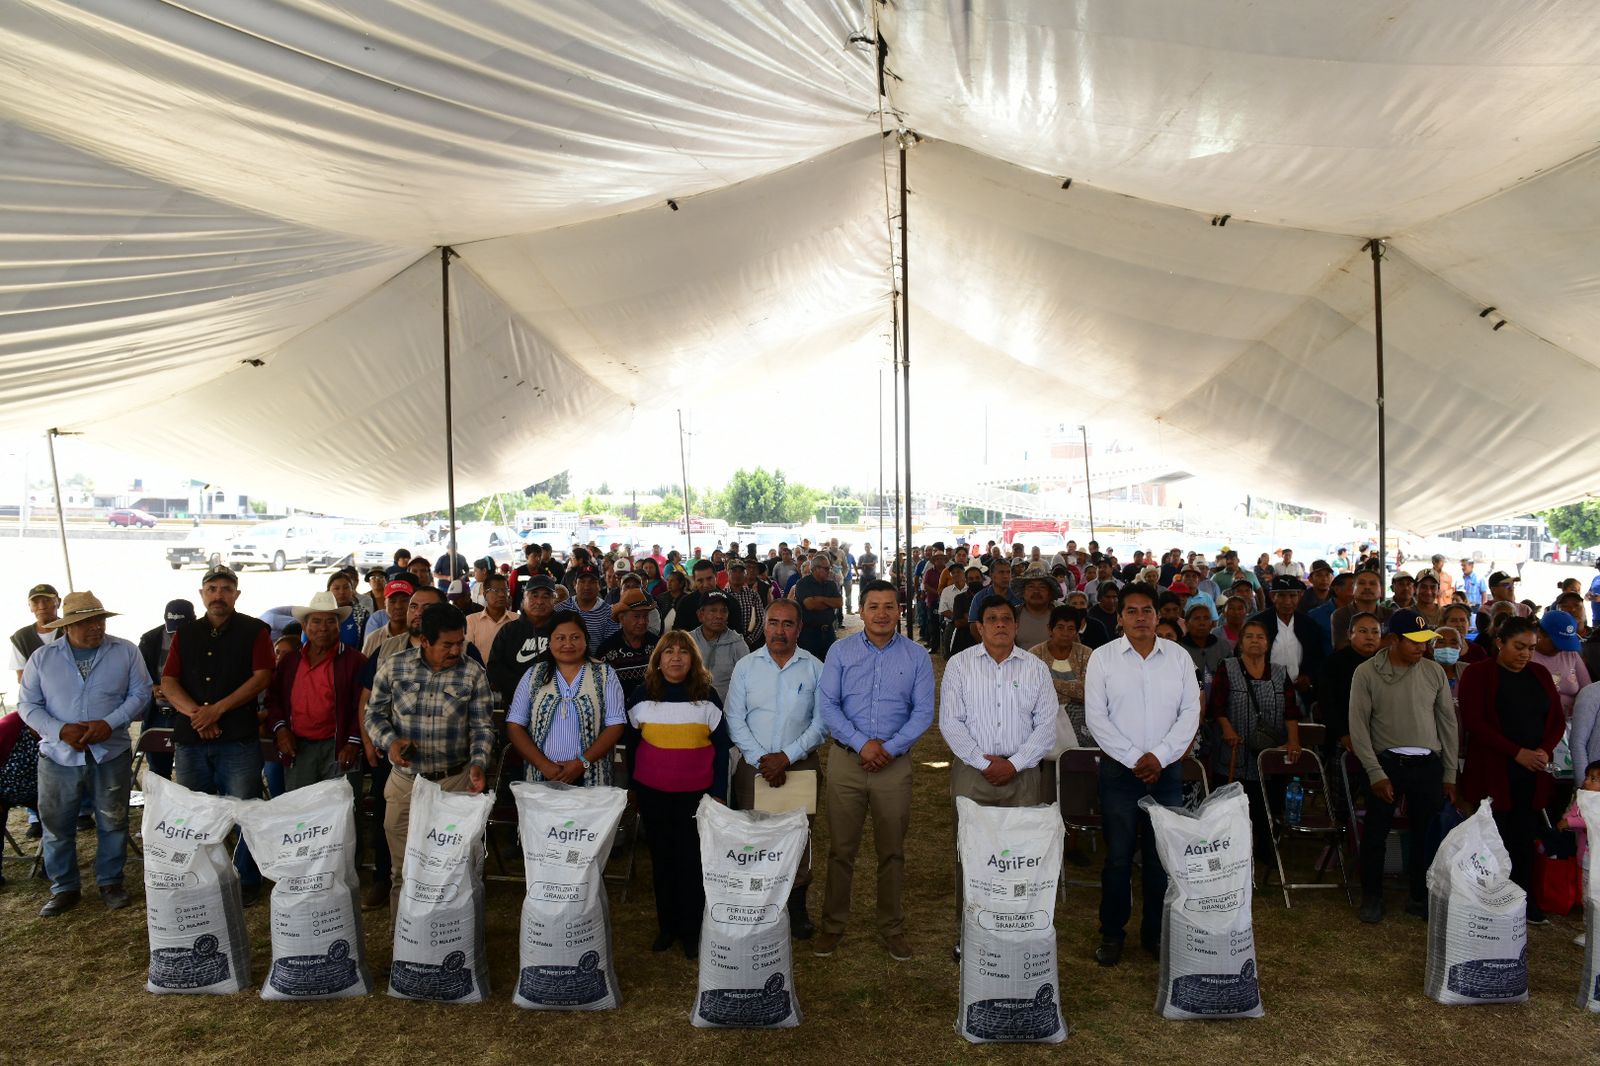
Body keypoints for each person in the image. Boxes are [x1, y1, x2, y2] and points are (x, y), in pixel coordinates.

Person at [814, 580, 935, 962]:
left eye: (889, 606)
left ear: (900, 610)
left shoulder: (916, 656)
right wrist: (862, 743)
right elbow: (828, 705)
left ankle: (892, 928)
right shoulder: (840, 650)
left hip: (893, 767)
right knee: (840, 850)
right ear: (861, 611)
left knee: (892, 852)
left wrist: (889, 747)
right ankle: (832, 926)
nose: (881, 613)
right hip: (847, 762)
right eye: (873, 606)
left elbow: (923, 713)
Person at [1084, 583, 1202, 966]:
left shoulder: (1179, 658)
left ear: (1158, 615)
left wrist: (1161, 757)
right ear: (1119, 618)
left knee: (1159, 860)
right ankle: (1112, 934)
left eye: (1147, 610)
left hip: (1165, 774)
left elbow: (1190, 713)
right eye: (1131, 611)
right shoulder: (1103, 659)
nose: (1140, 618)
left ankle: (1155, 934)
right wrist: (1138, 758)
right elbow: (1096, 719)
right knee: (1118, 858)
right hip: (1120, 772)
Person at [18, 591, 147, 915]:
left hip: (110, 751)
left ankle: (111, 882)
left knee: (113, 820)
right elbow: (27, 705)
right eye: (87, 622)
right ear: (68, 626)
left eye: (99, 620)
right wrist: (60, 730)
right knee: (57, 824)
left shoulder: (125, 651)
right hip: (59, 756)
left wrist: (111, 722)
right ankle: (64, 887)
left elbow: (141, 693)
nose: (96, 627)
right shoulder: (43, 658)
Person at [364, 602, 493, 915]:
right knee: (403, 870)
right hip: (405, 784)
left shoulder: (472, 672)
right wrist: (391, 743)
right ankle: (404, 950)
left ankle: (452, 944)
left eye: (460, 642)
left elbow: (482, 726)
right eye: (447, 644)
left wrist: (478, 763)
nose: (455, 650)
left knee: (452, 870)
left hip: (455, 781)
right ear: (424, 640)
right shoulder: (394, 666)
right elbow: (374, 715)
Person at [161, 565, 273, 904]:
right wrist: (198, 713)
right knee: (196, 815)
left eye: (226, 588)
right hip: (192, 738)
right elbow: (169, 681)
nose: (218, 594)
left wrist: (218, 709)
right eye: (212, 588)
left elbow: (262, 676)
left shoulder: (256, 630)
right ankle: (203, 880)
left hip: (237, 739)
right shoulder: (185, 634)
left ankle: (247, 881)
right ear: (202, 594)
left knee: (244, 812)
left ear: (237, 594)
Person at [940, 595, 1057, 911]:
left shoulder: (1035, 668)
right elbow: (951, 723)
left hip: (1024, 774)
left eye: (1006, 618)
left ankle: (1014, 921)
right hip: (972, 773)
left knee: (1020, 851)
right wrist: (982, 761)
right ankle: (970, 925)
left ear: (1017, 626)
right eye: (992, 619)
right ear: (979, 627)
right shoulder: (960, 665)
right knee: (971, 851)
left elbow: (1046, 727)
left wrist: (1014, 763)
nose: (1000, 624)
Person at [622, 630, 730, 959]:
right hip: (654, 794)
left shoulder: (706, 696)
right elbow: (632, 746)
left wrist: (718, 793)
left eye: (684, 652)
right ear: (658, 659)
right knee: (663, 861)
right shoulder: (642, 695)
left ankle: (691, 930)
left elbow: (722, 748)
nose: (676, 657)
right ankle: (666, 926)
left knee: (691, 862)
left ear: (693, 659)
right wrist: (633, 788)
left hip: (696, 796)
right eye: (668, 651)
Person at [724, 597, 827, 938]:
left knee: (797, 839)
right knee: (756, 838)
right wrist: (762, 760)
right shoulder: (746, 667)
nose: (779, 631)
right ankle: (759, 906)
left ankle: (796, 910)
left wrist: (787, 757)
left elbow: (821, 722)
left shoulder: (814, 667)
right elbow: (734, 719)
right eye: (773, 623)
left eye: (787, 624)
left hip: (800, 766)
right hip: (754, 768)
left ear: (799, 628)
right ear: (763, 626)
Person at [1348, 609, 1459, 923]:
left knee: (1426, 835)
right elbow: (1358, 727)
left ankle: (1419, 896)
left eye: (1426, 641)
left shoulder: (1434, 672)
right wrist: (1375, 772)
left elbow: (1448, 725)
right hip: (1387, 764)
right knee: (1375, 834)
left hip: (1428, 766)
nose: (1422, 647)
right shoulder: (1367, 672)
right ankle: (1372, 896)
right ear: (1393, 639)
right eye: (1415, 641)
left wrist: (1449, 773)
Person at [1458, 616, 1565, 923]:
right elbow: (1475, 722)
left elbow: (1556, 719)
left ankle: (1524, 901)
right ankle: (1488, 901)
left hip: (1532, 769)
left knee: (1525, 835)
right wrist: (1516, 752)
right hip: (1493, 769)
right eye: (1519, 647)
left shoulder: (1540, 674)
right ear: (1500, 643)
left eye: (1531, 648)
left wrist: (1544, 749)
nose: (1525, 654)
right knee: (1493, 837)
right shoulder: (1478, 674)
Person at [1206, 619, 1301, 855]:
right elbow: (1216, 706)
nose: (1255, 641)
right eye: (1249, 636)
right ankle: (1231, 849)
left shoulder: (1279, 672)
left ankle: (1266, 847)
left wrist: (1294, 740)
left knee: (1267, 798)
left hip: (1270, 749)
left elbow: (1291, 709)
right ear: (1240, 643)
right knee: (1233, 799)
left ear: (1268, 644)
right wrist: (1227, 729)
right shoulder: (1227, 667)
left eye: (1260, 637)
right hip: (1234, 748)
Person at [505, 611, 626, 787]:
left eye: (575, 637)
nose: (568, 644)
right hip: (542, 775)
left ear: (586, 640)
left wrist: (582, 763)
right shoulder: (534, 674)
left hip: (591, 775)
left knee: (586, 815)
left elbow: (616, 725)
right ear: (550, 641)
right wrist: (543, 765)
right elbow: (515, 725)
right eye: (560, 638)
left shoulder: (605, 673)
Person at [265, 591, 367, 791]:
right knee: (301, 811)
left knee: (340, 812)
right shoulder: (290, 661)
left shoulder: (355, 661)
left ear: (339, 626)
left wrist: (353, 742)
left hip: (340, 746)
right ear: (305, 626)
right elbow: (273, 699)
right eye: (316, 622)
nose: (323, 628)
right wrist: (281, 730)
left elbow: (363, 706)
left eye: (330, 621)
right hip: (298, 747)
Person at [136, 598, 194, 780]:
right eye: (171, 629)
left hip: (188, 713)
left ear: (194, 620)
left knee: (192, 772)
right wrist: (153, 688)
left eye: (181, 629)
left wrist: (179, 693)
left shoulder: (203, 638)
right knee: (158, 773)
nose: (175, 635)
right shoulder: (150, 639)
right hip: (158, 713)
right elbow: (137, 675)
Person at [1251, 576, 1324, 712]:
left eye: (1292, 596)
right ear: (1273, 596)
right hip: (1263, 694)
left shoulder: (1310, 626)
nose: (1287, 601)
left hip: (1299, 695)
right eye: (1282, 596)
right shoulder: (1258, 624)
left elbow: (1318, 658)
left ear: (1300, 596)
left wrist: (1308, 677)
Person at [1318, 611, 1384, 759]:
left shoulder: (1386, 663)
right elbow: (1327, 704)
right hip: (1344, 736)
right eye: (1363, 631)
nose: (1370, 637)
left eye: (1375, 632)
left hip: (1382, 737)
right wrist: (1343, 734)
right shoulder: (1333, 664)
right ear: (1349, 634)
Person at [488, 575, 560, 706]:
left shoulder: (563, 629)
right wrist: (525, 687)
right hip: (515, 703)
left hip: (558, 703)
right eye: (534, 595)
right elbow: (494, 668)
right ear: (524, 599)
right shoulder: (509, 631)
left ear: (554, 600)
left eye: (546, 596)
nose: (539, 601)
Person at [596, 589, 658, 700]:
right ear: (621, 618)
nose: (642, 621)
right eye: (637, 616)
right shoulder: (607, 650)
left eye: (645, 616)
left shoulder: (657, 645)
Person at [1531, 609, 1591, 719]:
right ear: (1540, 633)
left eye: (1566, 644)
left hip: (1573, 721)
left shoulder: (1570, 654)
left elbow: (1588, 690)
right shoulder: (1525, 656)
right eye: (1556, 643)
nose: (1560, 648)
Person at [690, 590, 747, 699]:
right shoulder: (689, 641)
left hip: (726, 710)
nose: (719, 616)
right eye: (713, 611)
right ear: (700, 615)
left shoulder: (737, 643)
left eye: (724, 611)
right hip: (692, 708)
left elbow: (748, 681)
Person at [792, 553, 844, 660]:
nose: (829, 571)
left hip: (829, 632)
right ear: (815, 569)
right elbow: (810, 605)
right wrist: (829, 602)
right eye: (826, 568)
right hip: (809, 633)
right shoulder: (803, 583)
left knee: (831, 664)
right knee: (808, 665)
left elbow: (839, 603)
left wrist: (820, 599)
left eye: (829, 568)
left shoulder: (831, 584)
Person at [9, 582, 60, 684]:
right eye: (35, 602)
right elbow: (22, 678)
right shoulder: (21, 638)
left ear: (58, 602)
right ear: (30, 607)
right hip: (39, 698)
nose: (42, 606)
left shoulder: (72, 630)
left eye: (47, 600)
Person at [558, 565, 620, 648]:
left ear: (599, 586)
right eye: (582, 581)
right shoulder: (560, 609)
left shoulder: (609, 613)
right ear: (574, 584)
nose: (587, 587)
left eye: (592, 582)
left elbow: (610, 647)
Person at [1332, 569, 1392, 650]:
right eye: (1361, 583)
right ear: (1353, 588)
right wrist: (1382, 642)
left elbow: (1394, 644)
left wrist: (1357, 642)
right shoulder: (1340, 615)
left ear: (1381, 589)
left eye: (1372, 583)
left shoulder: (1390, 614)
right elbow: (1341, 647)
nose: (1367, 587)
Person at [465, 571, 516, 663]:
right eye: (496, 591)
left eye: (505, 590)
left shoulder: (517, 619)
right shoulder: (471, 621)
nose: (502, 594)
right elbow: (467, 654)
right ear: (485, 595)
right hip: (481, 674)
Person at [1014, 569, 1059, 649]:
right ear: (1023, 592)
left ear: (1050, 593)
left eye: (1042, 587)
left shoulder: (1061, 616)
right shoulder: (1013, 615)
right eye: (1031, 587)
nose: (1036, 591)